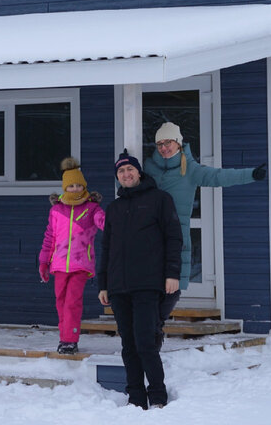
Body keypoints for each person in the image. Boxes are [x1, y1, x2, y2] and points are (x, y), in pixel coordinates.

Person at [143, 122, 266, 328]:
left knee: (172, 292)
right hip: (148, 238)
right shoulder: (148, 167)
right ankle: (149, 332)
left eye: (168, 142)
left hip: (176, 238)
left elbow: (219, 176)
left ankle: (154, 328)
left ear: (178, 143)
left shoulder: (190, 169)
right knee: (148, 289)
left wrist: (251, 174)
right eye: (160, 143)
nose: (164, 147)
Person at [98, 150, 182, 410]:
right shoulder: (114, 208)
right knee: (129, 344)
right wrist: (103, 284)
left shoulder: (160, 200)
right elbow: (107, 248)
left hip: (148, 283)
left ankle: (157, 396)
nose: (126, 174)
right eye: (121, 171)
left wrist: (172, 274)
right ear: (118, 177)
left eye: (129, 169)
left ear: (138, 172)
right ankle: (135, 398)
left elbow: (174, 238)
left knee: (146, 341)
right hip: (119, 286)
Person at [38, 157, 105, 355]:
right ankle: (64, 336)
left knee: (72, 301)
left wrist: (111, 221)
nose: (75, 189)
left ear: (84, 186)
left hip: (80, 265)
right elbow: (49, 237)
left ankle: (70, 339)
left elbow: (103, 222)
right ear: (64, 188)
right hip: (58, 265)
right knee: (60, 301)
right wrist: (43, 262)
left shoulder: (92, 208)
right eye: (71, 186)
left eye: (78, 185)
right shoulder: (56, 210)